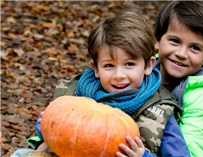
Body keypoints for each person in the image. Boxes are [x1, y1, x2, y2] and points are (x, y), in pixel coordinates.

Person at [10, 11, 189, 157]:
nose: (119, 75)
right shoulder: (78, 93)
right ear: (95, 68)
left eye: (129, 64)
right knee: (20, 154)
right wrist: (46, 128)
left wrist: (143, 156)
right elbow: (64, 136)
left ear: (148, 65)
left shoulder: (158, 109)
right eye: (109, 66)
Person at [117, 1, 203, 157]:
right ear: (158, 39)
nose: (182, 53)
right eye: (175, 41)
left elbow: (192, 154)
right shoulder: (141, 71)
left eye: (195, 48)